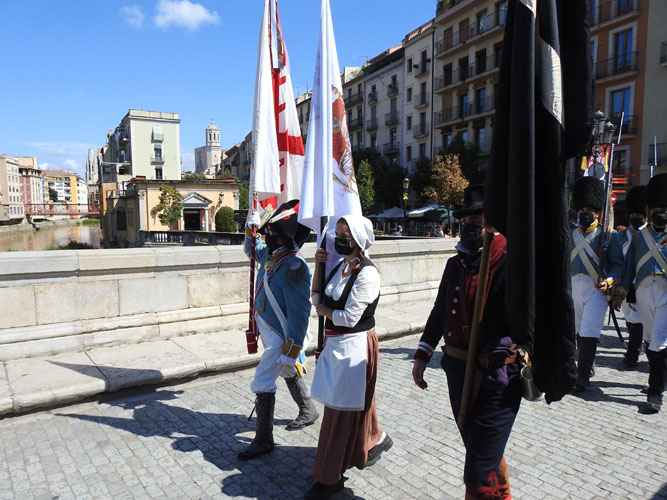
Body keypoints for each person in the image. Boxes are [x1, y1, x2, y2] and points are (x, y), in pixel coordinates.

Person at [412, 184, 523, 500]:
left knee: (476, 470)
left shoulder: (510, 262)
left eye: (478, 220)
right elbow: (440, 310)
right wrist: (422, 353)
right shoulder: (455, 264)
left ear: (493, 222)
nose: (470, 227)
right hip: (457, 370)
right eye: (466, 220)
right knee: (477, 448)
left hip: (495, 376)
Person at [305, 214, 391, 500]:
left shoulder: (367, 274)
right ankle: (371, 440)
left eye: (345, 236)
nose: (339, 240)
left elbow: (348, 317)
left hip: (354, 345)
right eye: (338, 235)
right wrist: (318, 265)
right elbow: (316, 297)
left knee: (340, 411)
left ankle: (329, 476)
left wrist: (325, 312)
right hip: (337, 344)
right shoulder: (340, 266)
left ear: (358, 240)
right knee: (352, 404)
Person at [238, 200, 319, 460]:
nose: (268, 235)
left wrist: (292, 347)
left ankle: (264, 439)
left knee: (262, 381)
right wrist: (250, 228)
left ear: (284, 236)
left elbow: (300, 312)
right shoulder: (275, 256)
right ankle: (308, 409)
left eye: (272, 231)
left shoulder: (294, 266)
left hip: (282, 336)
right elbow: (252, 249)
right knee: (287, 370)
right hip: (270, 330)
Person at [613, 173, 667, 413]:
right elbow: (629, 269)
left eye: (664, 208)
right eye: (656, 208)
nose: (660, 212)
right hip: (644, 292)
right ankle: (660, 380)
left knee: (659, 342)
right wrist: (620, 292)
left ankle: (655, 393)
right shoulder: (639, 238)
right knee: (649, 339)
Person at [569, 176, 624, 392]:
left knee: (589, 331)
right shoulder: (571, 234)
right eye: (582, 209)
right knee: (578, 331)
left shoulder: (610, 236)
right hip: (574, 288)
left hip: (596, 290)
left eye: (589, 209)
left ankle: (582, 377)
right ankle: (587, 365)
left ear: (598, 212)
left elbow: (618, 265)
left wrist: (609, 281)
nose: (585, 213)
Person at [616, 185, 647, 368]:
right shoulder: (620, 235)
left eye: (639, 215)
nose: (636, 217)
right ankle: (637, 343)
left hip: (642, 283)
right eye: (633, 214)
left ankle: (632, 354)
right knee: (629, 316)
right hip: (623, 282)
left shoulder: (648, 236)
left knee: (637, 319)